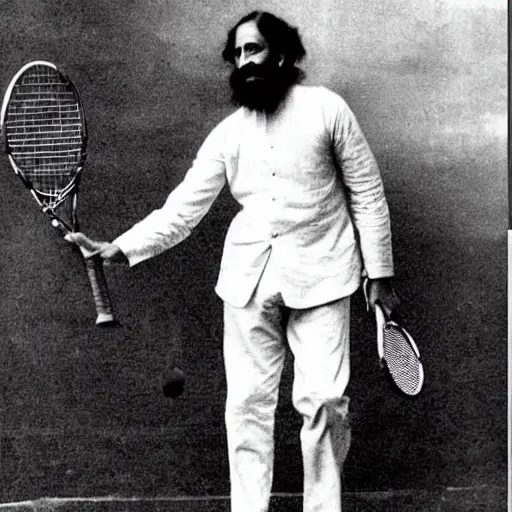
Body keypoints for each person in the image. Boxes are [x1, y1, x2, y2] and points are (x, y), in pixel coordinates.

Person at [68, 11, 400, 512]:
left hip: (326, 277)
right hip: (247, 286)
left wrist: (381, 275)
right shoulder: (228, 134)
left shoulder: (328, 110)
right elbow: (183, 209)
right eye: (238, 54)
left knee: (327, 404)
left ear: (282, 55)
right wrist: (122, 247)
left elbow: (368, 195)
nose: (244, 62)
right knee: (246, 408)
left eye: (255, 50)